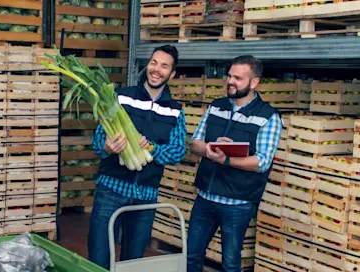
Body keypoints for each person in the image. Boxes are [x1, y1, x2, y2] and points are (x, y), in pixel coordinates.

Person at [87, 45, 187, 269]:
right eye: (153, 62)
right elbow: (97, 142)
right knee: (99, 257)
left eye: (164, 66)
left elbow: (178, 151)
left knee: (132, 263)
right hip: (111, 190)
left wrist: (152, 148)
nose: (156, 69)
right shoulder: (120, 97)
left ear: (172, 74)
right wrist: (108, 147)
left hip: (145, 196)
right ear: (147, 65)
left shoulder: (175, 110)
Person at [187, 55, 282, 272]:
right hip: (205, 197)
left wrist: (227, 159)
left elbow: (262, 162)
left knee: (230, 264)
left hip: (237, 204)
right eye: (229, 76)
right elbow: (194, 144)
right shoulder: (216, 107)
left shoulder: (268, 116)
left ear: (254, 82)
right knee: (191, 257)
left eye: (238, 78)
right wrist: (209, 148)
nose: (230, 81)